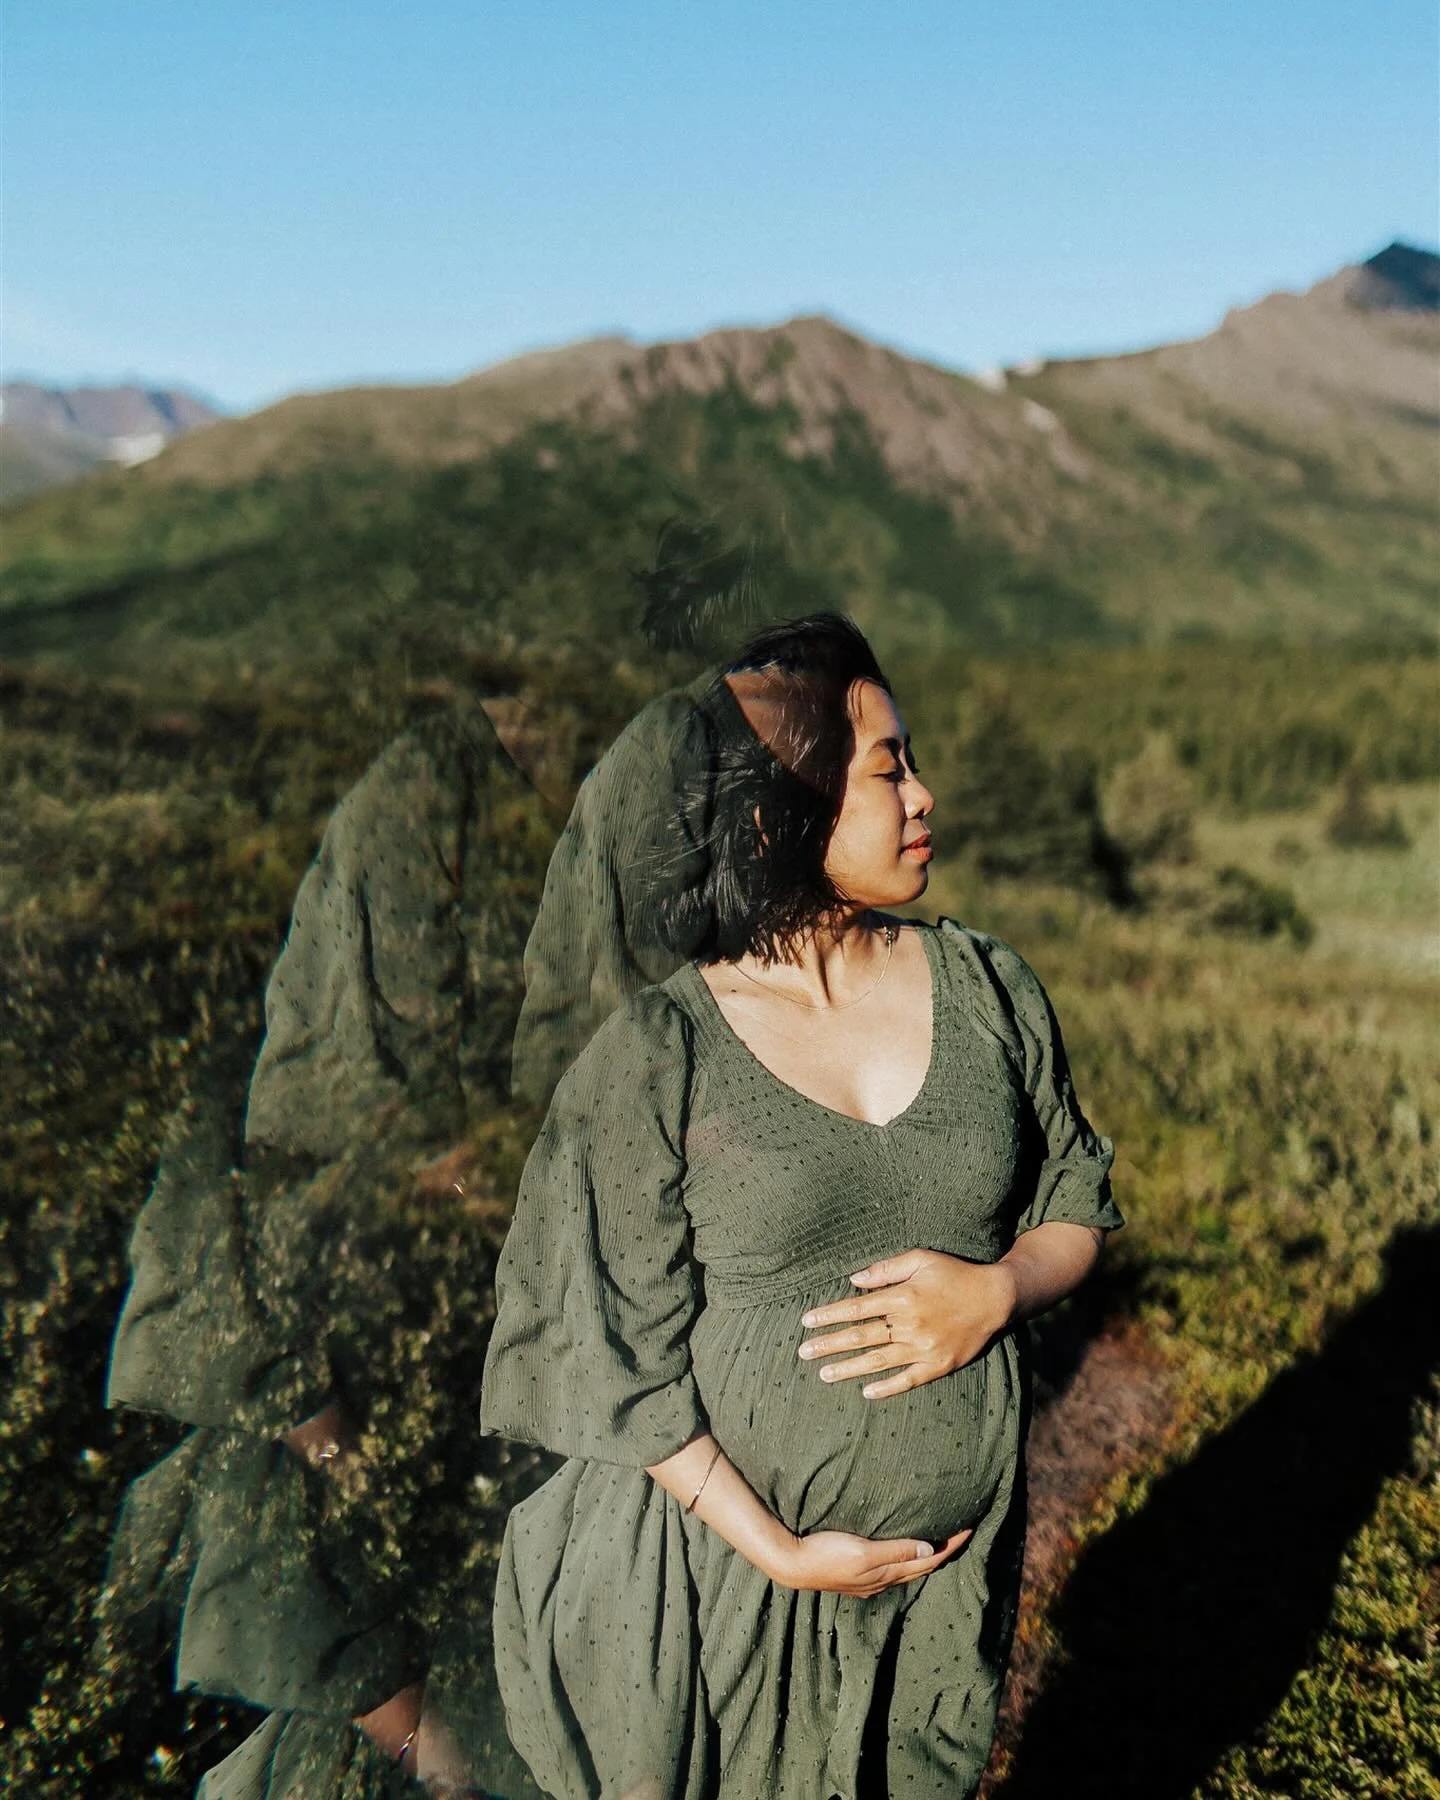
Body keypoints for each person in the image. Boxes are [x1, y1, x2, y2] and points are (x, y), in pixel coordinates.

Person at [480, 613, 1122, 1799]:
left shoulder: (988, 986)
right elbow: (600, 1345)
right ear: (782, 807)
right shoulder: (661, 1050)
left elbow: (1075, 1195)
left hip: (936, 1595)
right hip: (720, 1587)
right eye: (889, 769)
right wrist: (778, 1549)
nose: (924, 796)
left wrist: (1002, 1288)